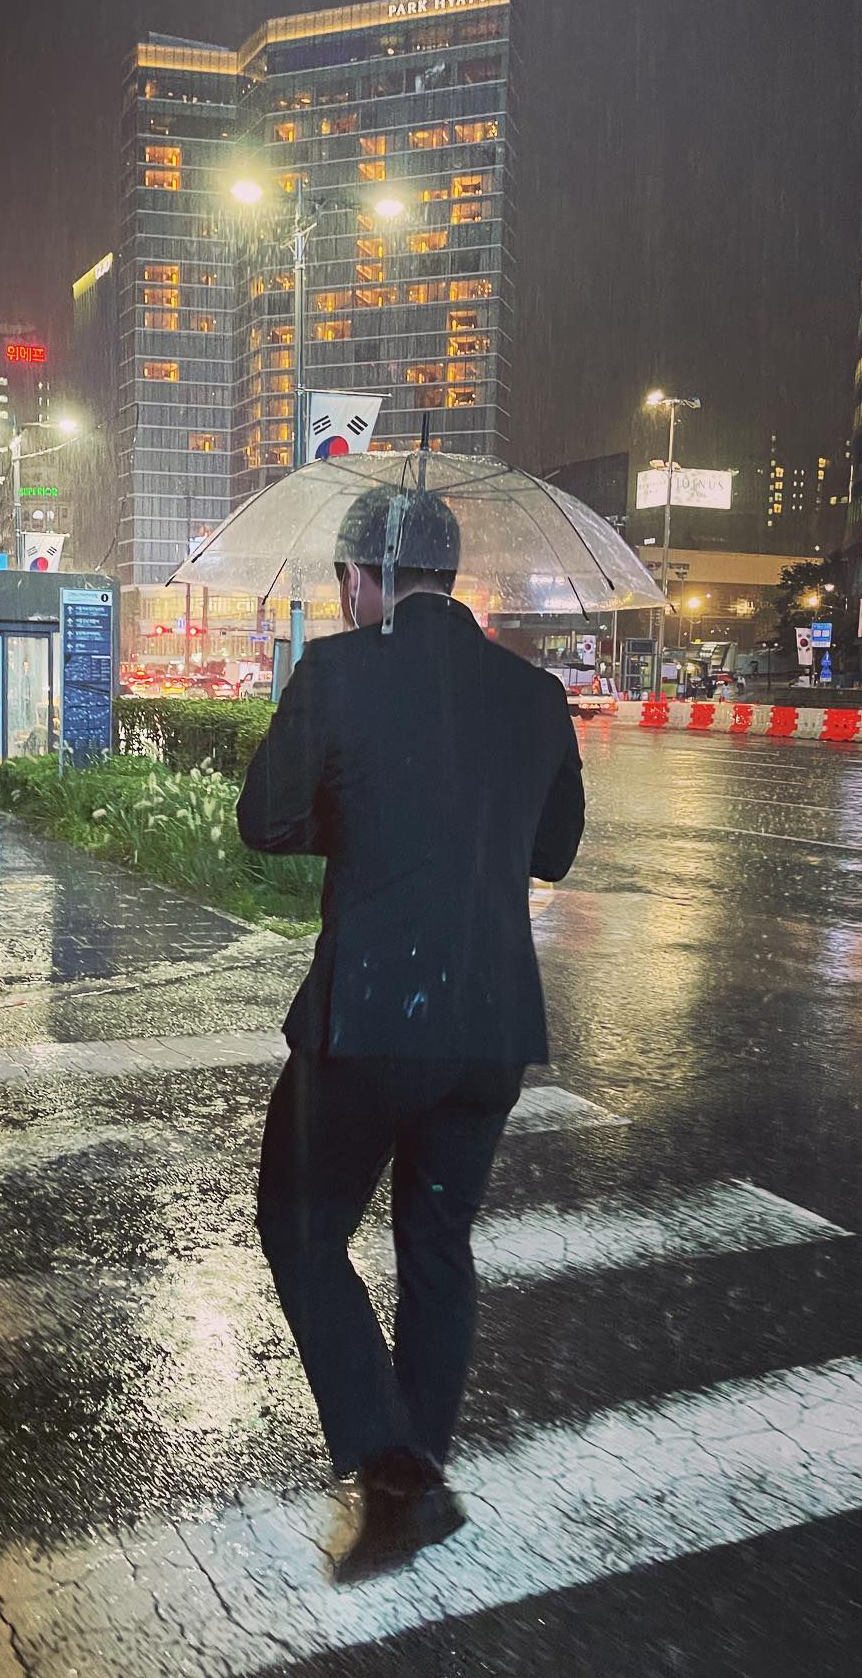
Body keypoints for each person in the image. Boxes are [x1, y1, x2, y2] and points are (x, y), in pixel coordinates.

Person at [238, 487, 585, 1585]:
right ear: (451, 577)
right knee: (435, 1245)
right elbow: (557, 849)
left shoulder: (338, 673)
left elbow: (266, 820)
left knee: (301, 1228)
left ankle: (394, 1469)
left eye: (343, 582)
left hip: (369, 1025)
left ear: (359, 578)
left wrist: (366, 819)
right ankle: (417, 1474)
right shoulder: (534, 694)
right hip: (489, 1030)